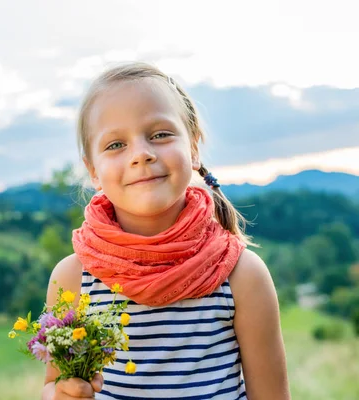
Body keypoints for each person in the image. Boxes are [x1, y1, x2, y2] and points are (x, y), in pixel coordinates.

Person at [41, 62, 290, 400]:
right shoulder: (73, 279)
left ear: (193, 147)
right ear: (93, 171)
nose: (141, 155)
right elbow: (54, 385)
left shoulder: (240, 275)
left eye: (159, 134)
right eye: (115, 145)